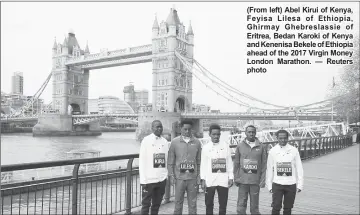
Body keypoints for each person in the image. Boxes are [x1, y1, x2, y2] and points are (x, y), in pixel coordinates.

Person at [168, 120, 202, 215]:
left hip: (192, 178)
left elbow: (199, 161)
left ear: (192, 130)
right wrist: (171, 175)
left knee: (193, 204)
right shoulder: (174, 142)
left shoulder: (197, 142)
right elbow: (171, 160)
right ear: (180, 129)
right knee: (178, 203)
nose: (187, 131)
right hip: (179, 178)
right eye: (185, 129)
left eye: (189, 129)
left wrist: (199, 175)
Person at [266, 129, 304, 215]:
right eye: (280, 138)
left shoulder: (294, 150)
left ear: (288, 138)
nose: (283, 140)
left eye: (285, 138)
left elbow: (299, 167)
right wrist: (269, 185)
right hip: (277, 184)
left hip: (291, 184)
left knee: (288, 208)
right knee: (275, 207)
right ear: (277, 138)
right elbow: (269, 169)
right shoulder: (272, 151)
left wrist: (300, 184)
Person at [200, 123, 233, 215]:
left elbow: (229, 162)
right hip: (210, 180)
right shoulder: (206, 148)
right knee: (209, 204)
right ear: (209, 134)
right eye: (214, 134)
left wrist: (231, 177)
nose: (216, 136)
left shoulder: (225, 146)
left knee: (223, 205)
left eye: (218, 134)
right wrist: (203, 180)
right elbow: (203, 164)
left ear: (220, 134)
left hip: (223, 179)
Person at [234, 125, 267, 215]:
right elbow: (236, 164)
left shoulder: (261, 146)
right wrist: (236, 178)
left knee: (254, 207)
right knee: (241, 205)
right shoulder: (240, 146)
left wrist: (262, 180)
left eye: (253, 132)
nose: (251, 134)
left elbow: (264, 164)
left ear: (255, 133)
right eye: (249, 132)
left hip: (255, 181)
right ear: (245, 133)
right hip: (243, 181)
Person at [139, 120, 169, 215]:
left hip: (161, 180)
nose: (159, 128)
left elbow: (166, 160)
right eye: (157, 127)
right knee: (145, 206)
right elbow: (142, 161)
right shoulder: (146, 141)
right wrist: (143, 181)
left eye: (160, 126)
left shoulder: (165, 142)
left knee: (156, 205)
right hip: (149, 180)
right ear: (152, 128)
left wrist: (166, 176)